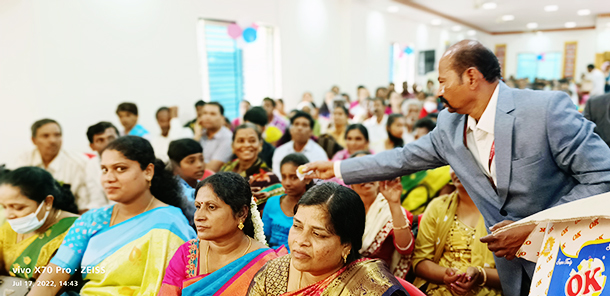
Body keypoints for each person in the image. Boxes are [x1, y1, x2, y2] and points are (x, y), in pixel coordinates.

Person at [303, 40, 610, 296]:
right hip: (513, 271)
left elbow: (602, 174)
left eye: (442, 81)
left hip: (572, 259)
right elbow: (402, 158)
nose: (438, 91)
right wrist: (338, 168)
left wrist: (537, 230)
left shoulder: (544, 110)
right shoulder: (451, 125)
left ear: (472, 77)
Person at [29, 136, 196, 295]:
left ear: (148, 172)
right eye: (104, 169)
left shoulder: (170, 223)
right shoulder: (91, 220)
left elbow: (186, 285)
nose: (109, 178)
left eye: (120, 168)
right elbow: (50, 279)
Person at [247, 182, 409, 296]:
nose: (300, 240)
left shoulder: (371, 288)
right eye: (297, 226)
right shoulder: (273, 273)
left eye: (317, 234)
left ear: (347, 245)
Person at [159, 173, 287, 296]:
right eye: (198, 207)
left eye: (211, 207)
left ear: (242, 213)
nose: (198, 217)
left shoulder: (268, 265)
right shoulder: (187, 254)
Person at [412, 169, 502, 295]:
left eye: (465, 162)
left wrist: (480, 275)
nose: (457, 170)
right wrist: (446, 276)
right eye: (453, 164)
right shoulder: (438, 207)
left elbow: (515, 275)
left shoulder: (502, 212)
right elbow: (420, 262)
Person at [0, 167, 79, 280]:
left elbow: (52, 285)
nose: (9, 215)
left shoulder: (75, 230)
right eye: (4, 207)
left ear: (47, 202)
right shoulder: (11, 226)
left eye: (18, 207)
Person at [349, 151, 414, 278]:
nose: (367, 177)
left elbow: (406, 249)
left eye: (371, 170)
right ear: (350, 180)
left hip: (379, 282)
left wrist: (394, 203)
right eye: (360, 171)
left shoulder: (390, 209)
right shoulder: (344, 208)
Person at [10, 119, 89, 212]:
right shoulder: (24, 160)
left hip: (67, 216)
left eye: (57, 135)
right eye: (45, 136)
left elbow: (85, 206)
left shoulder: (79, 163)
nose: (52, 140)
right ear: (34, 140)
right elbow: (14, 196)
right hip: (30, 216)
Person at [220, 123, 282, 211]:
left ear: (260, 145)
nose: (246, 145)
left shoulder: (270, 179)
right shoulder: (226, 167)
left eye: (252, 141)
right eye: (241, 141)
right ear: (233, 146)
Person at [262, 153, 312, 250]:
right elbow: (263, 237)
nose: (287, 183)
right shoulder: (272, 203)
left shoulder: (313, 208)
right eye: (284, 177)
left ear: (307, 179)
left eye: (294, 177)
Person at [272, 112, 327, 179]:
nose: (299, 128)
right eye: (296, 124)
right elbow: (278, 177)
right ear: (291, 130)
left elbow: (318, 180)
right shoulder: (280, 151)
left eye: (304, 125)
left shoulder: (319, 153)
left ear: (311, 132)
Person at [84, 121, 119, 211]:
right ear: (92, 146)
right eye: (100, 140)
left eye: (111, 138)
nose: (107, 143)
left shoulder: (133, 160)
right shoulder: (92, 165)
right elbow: (96, 201)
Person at [194, 102, 233, 172]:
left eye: (212, 114)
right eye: (205, 113)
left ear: (222, 118)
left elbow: (212, 168)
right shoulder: (201, 134)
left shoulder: (227, 138)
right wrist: (197, 136)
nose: (207, 117)